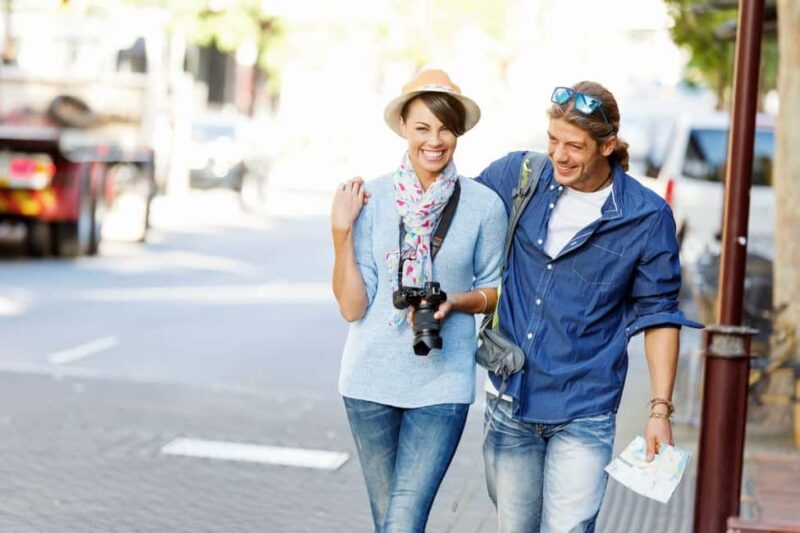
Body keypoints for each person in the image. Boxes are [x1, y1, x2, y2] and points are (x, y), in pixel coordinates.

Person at [476, 81, 703, 533]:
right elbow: (458, 214)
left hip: (585, 409)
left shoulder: (646, 215)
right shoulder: (520, 176)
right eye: (553, 140)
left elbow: (659, 315)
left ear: (607, 145)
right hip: (510, 399)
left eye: (575, 145)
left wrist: (659, 410)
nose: (560, 155)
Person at [330, 69, 507, 533]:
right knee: (390, 522)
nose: (435, 140)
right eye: (423, 127)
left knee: (403, 521)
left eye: (445, 127)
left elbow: (496, 291)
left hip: (442, 383)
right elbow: (352, 308)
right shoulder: (372, 197)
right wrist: (340, 233)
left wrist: (454, 302)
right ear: (404, 128)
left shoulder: (484, 205)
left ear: (459, 132)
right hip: (369, 381)